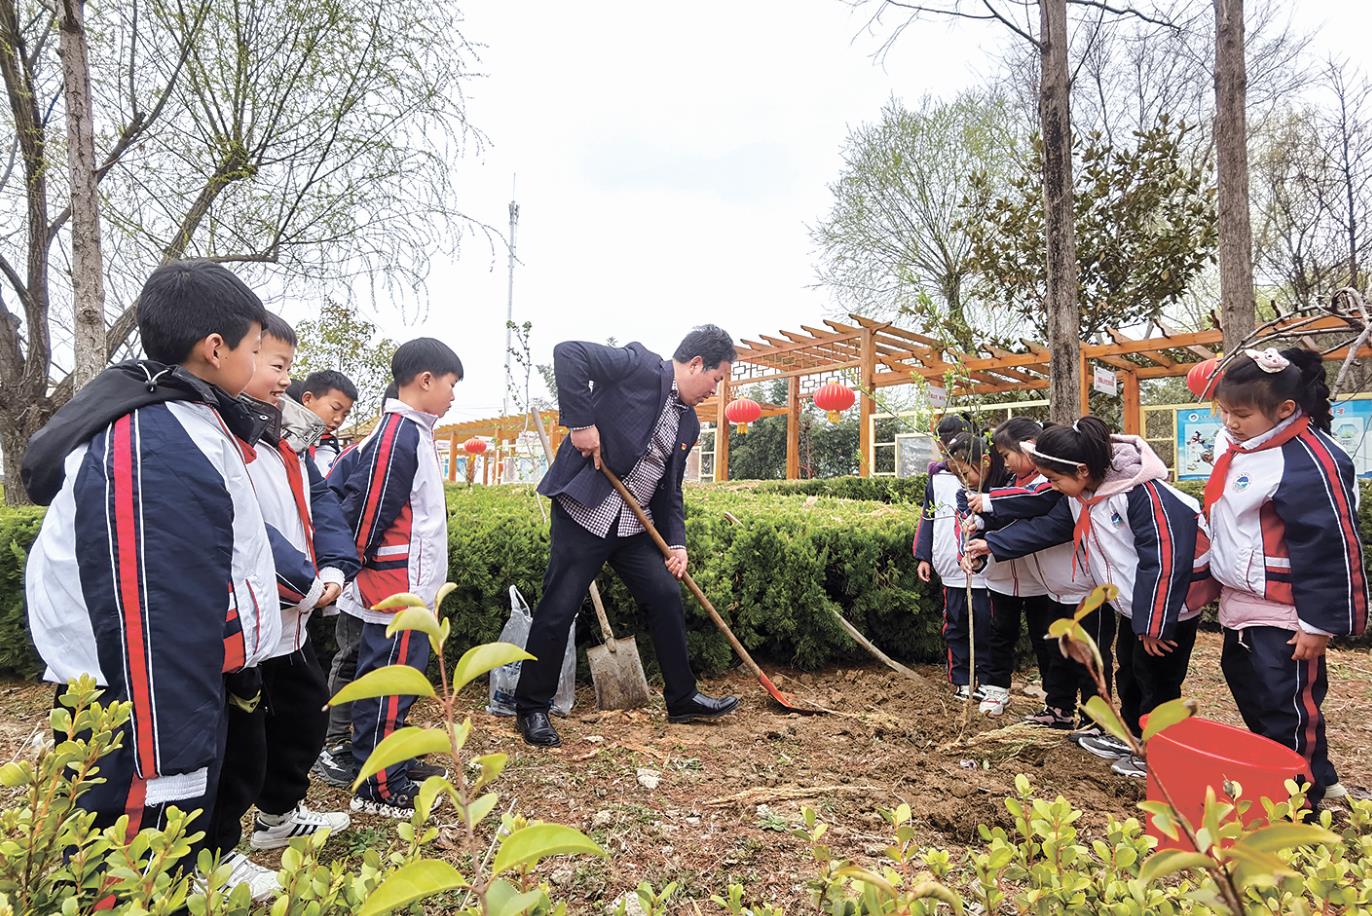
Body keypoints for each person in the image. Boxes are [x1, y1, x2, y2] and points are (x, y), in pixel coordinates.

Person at [21, 260, 278, 873]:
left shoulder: (181, 416)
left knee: (165, 859)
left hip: (154, 687)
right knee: (132, 866)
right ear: (215, 349)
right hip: (135, 701)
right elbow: (149, 607)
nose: (259, 359)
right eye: (255, 346)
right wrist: (170, 758)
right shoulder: (151, 440)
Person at [513, 327, 740, 748]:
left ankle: (682, 697)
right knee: (559, 606)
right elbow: (569, 352)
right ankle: (531, 707)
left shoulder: (688, 421)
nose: (716, 388)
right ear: (695, 365)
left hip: (634, 525)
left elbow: (671, 489)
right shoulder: (639, 366)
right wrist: (581, 424)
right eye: (717, 378)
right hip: (586, 512)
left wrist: (677, 544)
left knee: (664, 595)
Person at [204, 313, 360, 896]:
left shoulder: (286, 439)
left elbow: (320, 508)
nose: (283, 381)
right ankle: (212, 854)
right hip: (247, 616)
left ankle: (276, 818)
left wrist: (337, 566)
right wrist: (304, 583)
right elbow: (243, 530)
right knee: (235, 741)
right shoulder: (215, 433)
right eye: (276, 365)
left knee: (303, 713)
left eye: (289, 367)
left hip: (290, 616)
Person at [965, 416, 1214, 779]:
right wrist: (990, 523)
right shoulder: (1085, 491)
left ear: (1082, 470)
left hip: (1169, 608)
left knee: (1156, 680)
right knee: (1130, 669)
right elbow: (1042, 510)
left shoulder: (1142, 494)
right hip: (1133, 606)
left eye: (1054, 479)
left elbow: (1164, 560)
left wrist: (1155, 624)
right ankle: (1130, 737)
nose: (1050, 487)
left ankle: (1159, 752)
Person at [1207, 347, 1367, 803]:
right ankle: (1297, 776)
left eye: (1241, 414)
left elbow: (1330, 547)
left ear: (1286, 410)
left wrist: (1318, 624)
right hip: (1245, 603)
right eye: (1224, 412)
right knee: (1255, 696)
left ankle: (1299, 804)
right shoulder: (1243, 447)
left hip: (1287, 611)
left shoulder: (1311, 462)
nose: (1230, 423)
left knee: (1288, 708)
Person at [333, 340, 461, 816]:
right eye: (451, 385)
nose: (453, 397)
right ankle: (378, 784)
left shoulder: (413, 433)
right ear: (425, 380)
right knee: (388, 681)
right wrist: (357, 564)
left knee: (401, 681)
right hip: (393, 588)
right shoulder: (398, 435)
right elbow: (370, 511)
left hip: (409, 586)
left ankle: (395, 762)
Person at [967, 419, 1097, 728]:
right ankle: (1059, 708)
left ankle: (1096, 722)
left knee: (1078, 653)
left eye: (1007, 454)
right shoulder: (1022, 481)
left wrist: (989, 510)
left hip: (1073, 587)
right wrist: (984, 527)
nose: (1006, 463)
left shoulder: (1052, 485)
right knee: (1047, 645)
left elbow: (1043, 522)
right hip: (1050, 585)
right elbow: (1019, 514)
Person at [916, 430, 999, 699]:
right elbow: (928, 518)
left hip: (986, 575)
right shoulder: (938, 479)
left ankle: (987, 679)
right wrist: (924, 555)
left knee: (986, 627)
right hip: (952, 572)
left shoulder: (995, 485)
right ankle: (962, 679)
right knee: (955, 627)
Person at [286, 370, 358, 475]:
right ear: (307, 399)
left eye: (345, 414)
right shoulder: (285, 441)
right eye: (335, 408)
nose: (338, 419)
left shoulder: (334, 452)